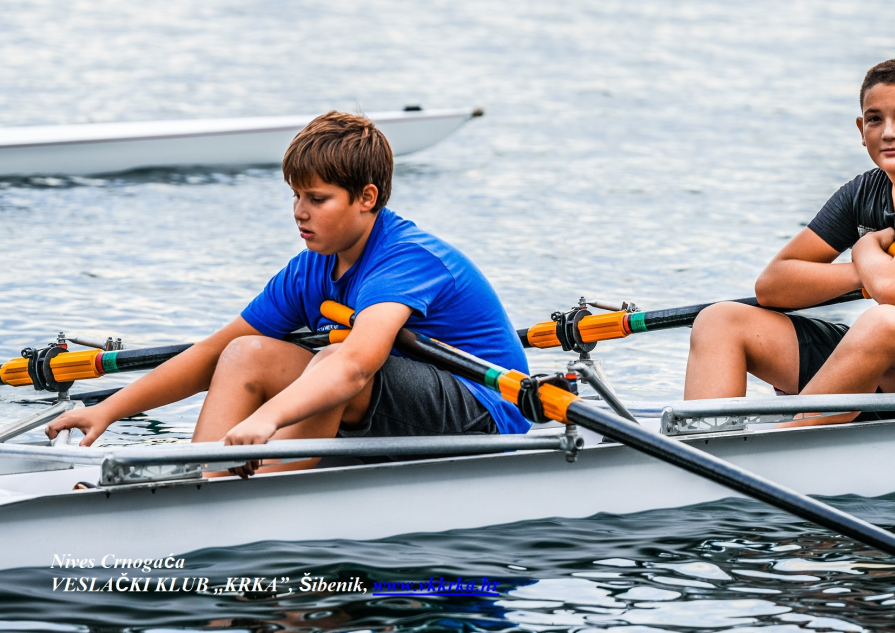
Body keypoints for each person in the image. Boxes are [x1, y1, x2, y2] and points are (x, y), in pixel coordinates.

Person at [46, 111, 531, 471]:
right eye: (296, 196)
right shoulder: (309, 270)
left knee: (332, 356)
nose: (300, 212)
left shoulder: (407, 259)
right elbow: (210, 353)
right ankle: (207, 479)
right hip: (406, 401)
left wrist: (270, 418)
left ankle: (266, 489)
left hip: (485, 411)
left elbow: (356, 365)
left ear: (368, 198)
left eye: (317, 199)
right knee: (242, 353)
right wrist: (104, 411)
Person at [683, 59, 895, 425]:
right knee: (720, 320)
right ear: (862, 130)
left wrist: (864, 249)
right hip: (893, 359)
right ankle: (701, 447)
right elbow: (773, 286)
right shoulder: (861, 193)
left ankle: (787, 442)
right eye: (875, 119)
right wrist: (863, 272)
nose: (888, 132)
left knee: (883, 322)